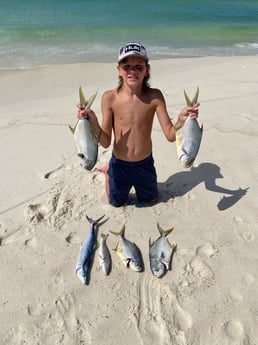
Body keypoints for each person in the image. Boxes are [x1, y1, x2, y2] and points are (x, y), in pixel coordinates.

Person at [77, 42, 200, 207]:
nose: (132, 71)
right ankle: (109, 171)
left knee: (151, 200)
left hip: (144, 164)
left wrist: (181, 120)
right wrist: (92, 121)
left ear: (147, 69)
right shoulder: (109, 98)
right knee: (115, 203)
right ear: (119, 70)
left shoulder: (155, 97)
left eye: (138, 66)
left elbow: (171, 136)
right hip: (119, 164)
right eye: (127, 66)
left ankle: (111, 171)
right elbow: (105, 142)